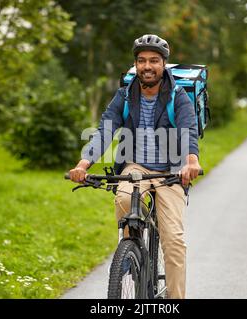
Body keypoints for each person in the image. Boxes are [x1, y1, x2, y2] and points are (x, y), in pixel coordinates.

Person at [68, 34, 202, 299]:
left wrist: (192, 162)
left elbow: (189, 131)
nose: (147, 66)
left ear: (163, 64)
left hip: (171, 171)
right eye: (141, 61)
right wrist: (83, 163)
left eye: (154, 60)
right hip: (135, 166)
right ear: (135, 65)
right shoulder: (125, 96)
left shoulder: (178, 97)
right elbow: (105, 129)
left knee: (174, 242)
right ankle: (130, 250)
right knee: (125, 201)